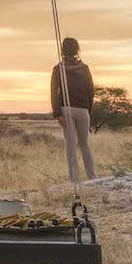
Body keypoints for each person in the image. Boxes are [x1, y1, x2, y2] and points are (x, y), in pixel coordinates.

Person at [51, 37, 96, 182]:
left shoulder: (58, 69)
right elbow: (91, 90)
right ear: (77, 49)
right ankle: (92, 176)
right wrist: (88, 109)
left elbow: (54, 92)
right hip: (83, 109)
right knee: (84, 144)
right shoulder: (84, 68)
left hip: (66, 109)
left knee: (70, 145)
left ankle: (75, 179)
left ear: (63, 50)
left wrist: (57, 113)